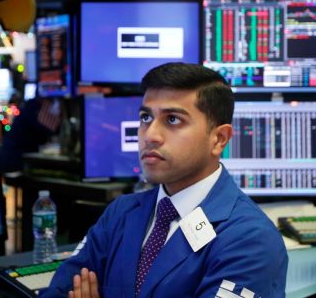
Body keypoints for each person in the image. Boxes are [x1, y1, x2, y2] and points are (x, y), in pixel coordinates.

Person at [40, 63, 287, 298]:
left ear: (219, 139)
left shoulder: (250, 240)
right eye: (146, 118)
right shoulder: (121, 213)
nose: (150, 135)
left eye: (172, 120)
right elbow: (58, 291)